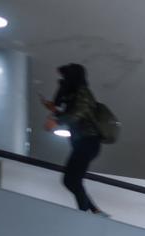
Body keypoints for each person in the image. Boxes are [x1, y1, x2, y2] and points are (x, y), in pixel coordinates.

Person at [40, 64, 105, 215]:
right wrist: (54, 109)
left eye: (65, 76)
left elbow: (79, 113)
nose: (63, 80)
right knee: (71, 180)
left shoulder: (83, 92)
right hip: (83, 143)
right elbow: (75, 113)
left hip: (89, 142)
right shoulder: (75, 94)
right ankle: (94, 211)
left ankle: (86, 213)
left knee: (72, 180)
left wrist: (57, 121)